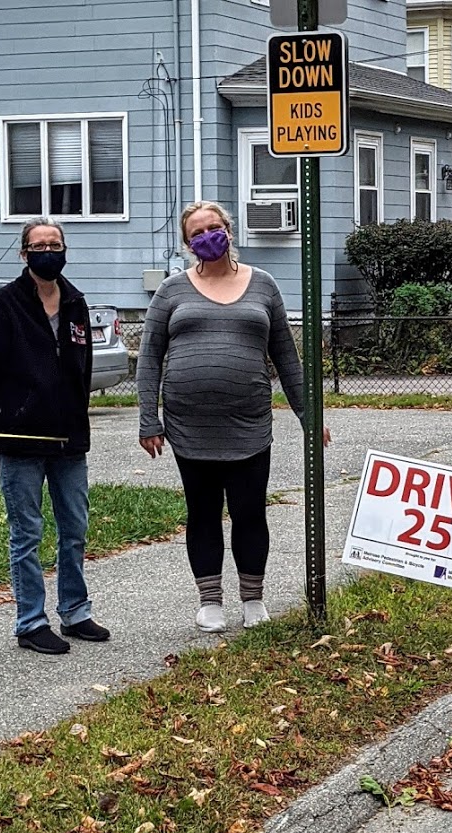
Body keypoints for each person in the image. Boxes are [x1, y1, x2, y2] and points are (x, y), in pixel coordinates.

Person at [136, 200, 328, 632]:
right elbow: (149, 359)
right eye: (196, 233)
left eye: (213, 228)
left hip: (249, 424)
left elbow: (286, 356)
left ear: (228, 229)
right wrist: (149, 419)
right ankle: (209, 603)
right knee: (202, 513)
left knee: (249, 512)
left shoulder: (263, 284)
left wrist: (309, 417)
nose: (207, 237)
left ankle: (253, 599)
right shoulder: (171, 290)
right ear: (187, 244)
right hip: (189, 425)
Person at [0, 217, 110, 654]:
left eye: (55, 243)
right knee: (26, 533)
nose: (48, 250)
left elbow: (81, 371)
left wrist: (78, 425)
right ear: (24, 252)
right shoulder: (4, 305)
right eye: (39, 244)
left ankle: (75, 611)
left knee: (75, 528)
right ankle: (31, 621)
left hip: (69, 440)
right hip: (18, 441)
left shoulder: (75, 302)